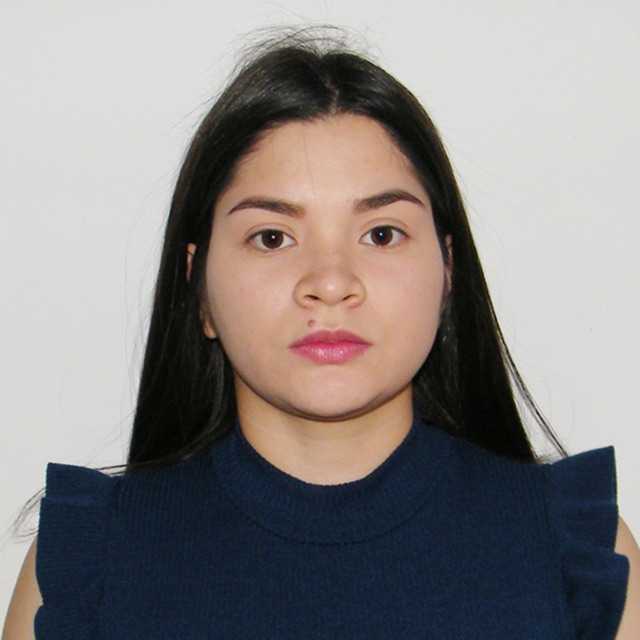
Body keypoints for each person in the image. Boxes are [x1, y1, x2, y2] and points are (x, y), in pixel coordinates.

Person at [3, 24, 639, 639]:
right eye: (272, 237)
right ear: (199, 288)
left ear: (448, 272)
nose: (331, 282)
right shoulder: (85, 567)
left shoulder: (580, 555)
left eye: (381, 234)